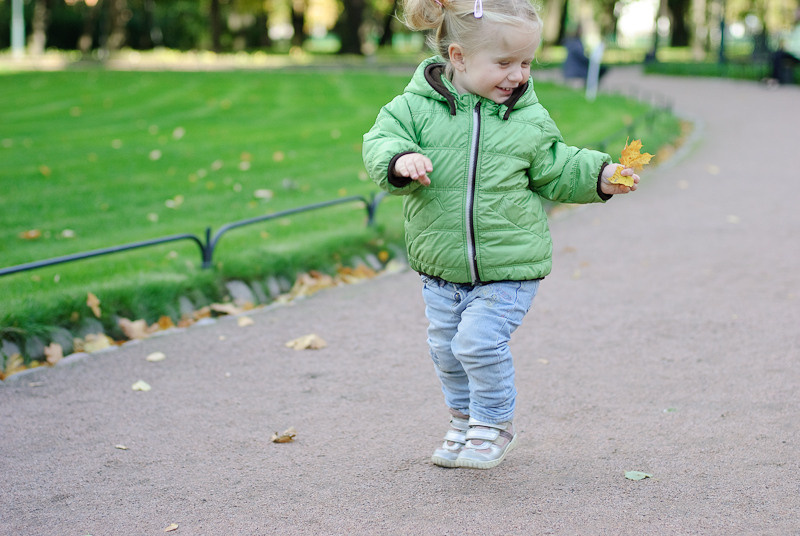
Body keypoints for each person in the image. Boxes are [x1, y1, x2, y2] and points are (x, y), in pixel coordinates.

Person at [362, 0, 640, 470]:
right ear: (458, 57)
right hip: (441, 267)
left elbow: (557, 167)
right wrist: (399, 159)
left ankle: (493, 424)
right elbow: (380, 140)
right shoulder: (412, 108)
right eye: (505, 62)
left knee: (476, 342)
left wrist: (598, 174)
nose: (518, 75)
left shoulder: (527, 117)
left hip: (509, 265)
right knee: (446, 351)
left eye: (527, 62)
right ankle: (463, 420)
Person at [769, 8, 800, 85]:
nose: (795, 14)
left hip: (796, 54)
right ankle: (775, 78)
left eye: (797, 12)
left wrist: (788, 48)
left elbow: (796, 45)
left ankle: (776, 79)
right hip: (793, 53)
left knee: (778, 55)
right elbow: (791, 39)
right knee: (777, 55)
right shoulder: (796, 26)